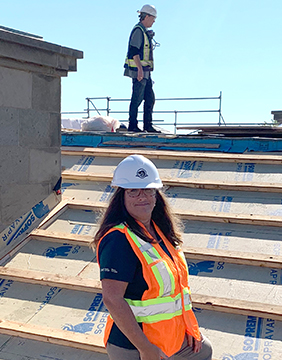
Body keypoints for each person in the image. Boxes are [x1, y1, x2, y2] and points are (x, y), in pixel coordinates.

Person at [92, 155, 213, 360]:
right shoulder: (118, 240)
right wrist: (146, 348)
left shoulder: (160, 232)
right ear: (121, 197)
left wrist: (190, 327)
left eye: (148, 190)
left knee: (205, 351)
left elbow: (178, 291)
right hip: (135, 345)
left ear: (156, 195)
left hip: (171, 337)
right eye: (133, 191)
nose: (142, 196)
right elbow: (112, 299)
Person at [124, 5, 159, 133]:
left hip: (146, 72)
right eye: (153, 18)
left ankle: (147, 125)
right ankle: (132, 125)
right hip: (140, 72)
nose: (154, 21)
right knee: (137, 98)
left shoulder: (144, 32)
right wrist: (139, 69)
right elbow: (133, 51)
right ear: (147, 16)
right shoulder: (138, 31)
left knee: (150, 98)